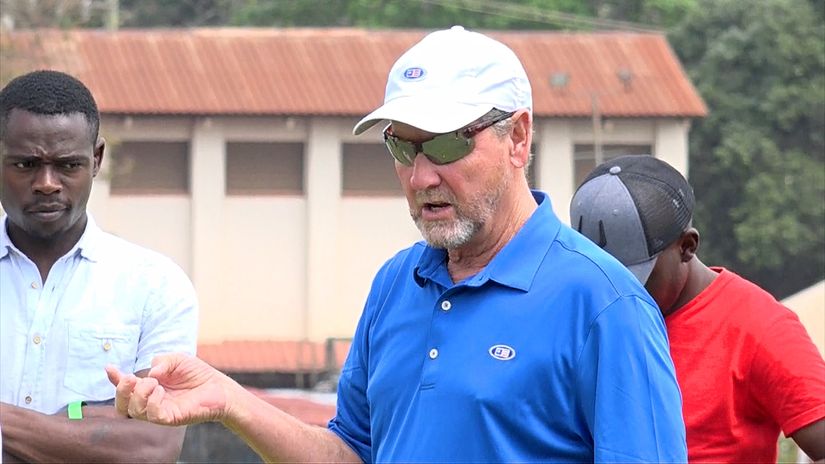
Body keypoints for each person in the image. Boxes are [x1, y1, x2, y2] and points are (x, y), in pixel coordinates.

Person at [107, 26, 687, 462]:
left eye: (445, 145)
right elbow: (350, 452)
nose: (421, 176)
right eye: (403, 147)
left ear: (519, 136)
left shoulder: (604, 304)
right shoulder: (396, 282)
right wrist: (228, 399)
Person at [570, 154, 825, 463]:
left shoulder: (758, 326)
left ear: (687, 246)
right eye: (601, 278)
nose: (615, 294)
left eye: (634, 278)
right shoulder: (583, 313)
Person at [0, 70, 199, 463]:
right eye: (25, 165)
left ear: (96, 160)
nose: (47, 183)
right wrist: (81, 425)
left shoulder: (155, 287)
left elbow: (152, 447)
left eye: (67, 165)